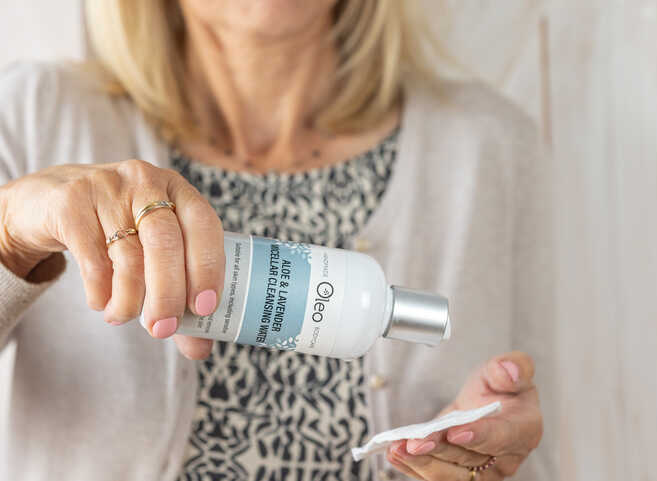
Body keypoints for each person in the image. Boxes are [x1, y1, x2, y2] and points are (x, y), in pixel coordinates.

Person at [0, 1, 554, 480]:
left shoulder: (490, 149)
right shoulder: (39, 115)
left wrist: (487, 459)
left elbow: (531, 438)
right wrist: (10, 235)